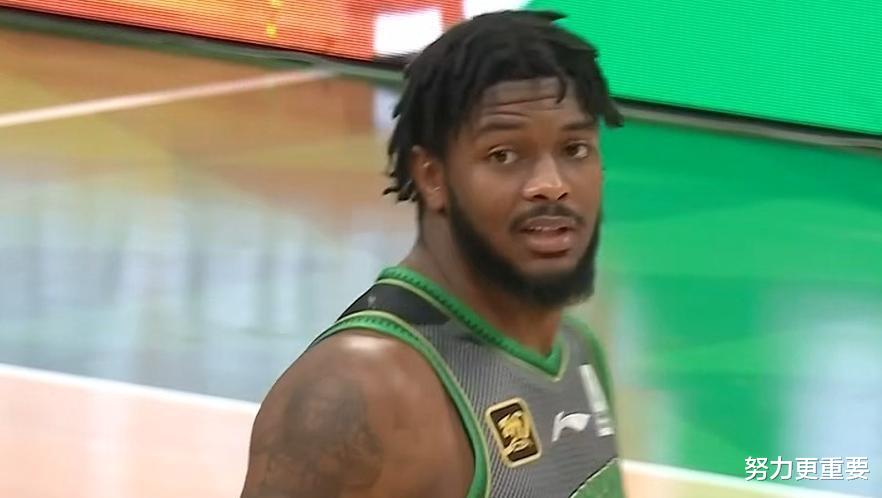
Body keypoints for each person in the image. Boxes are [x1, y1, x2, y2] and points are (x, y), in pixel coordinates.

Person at [240, 10, 625, 498]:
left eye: (575, 149)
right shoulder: (358, 391)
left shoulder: (576, 350)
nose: (551, 185)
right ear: (432, 176)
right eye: (504, 155)